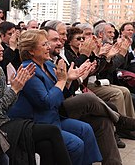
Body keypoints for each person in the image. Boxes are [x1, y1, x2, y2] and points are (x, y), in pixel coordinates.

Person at [0, 29, 72, 165]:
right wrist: (15, 89)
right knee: (52, 131)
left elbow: (6, 107)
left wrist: (16, 89)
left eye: (1, 44)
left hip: (7, 122)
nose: (1, 49)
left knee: (46, 145)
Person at [8, 29, 102, 165]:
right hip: (37, 123)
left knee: (85, 129)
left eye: (47, 43)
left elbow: (61, 95)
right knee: (75, 145)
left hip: (53, 118)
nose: (48, 47)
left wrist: (69, 80)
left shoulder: (48, 65)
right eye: (44, 44)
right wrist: (62, 81)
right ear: (31, 51)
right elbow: (45, 103)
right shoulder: (28, 70)